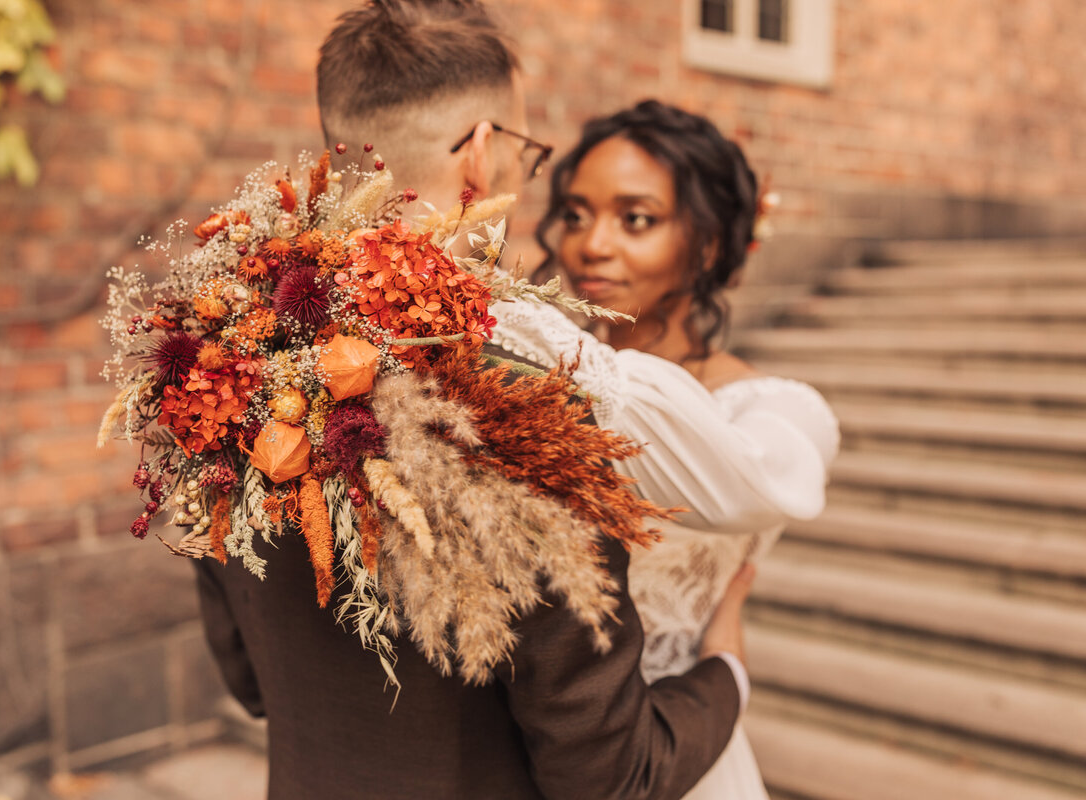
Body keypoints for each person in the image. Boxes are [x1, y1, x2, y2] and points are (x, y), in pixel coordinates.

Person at [193, 3, 755, 799]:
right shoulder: (526, 405)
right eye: (527, 155)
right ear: (483, 157)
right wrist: (724, 670)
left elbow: (250, 679)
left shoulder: (225, 359)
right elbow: (612, 778)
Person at [492, 100, 841, 799]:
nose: (591, 244)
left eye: (637, 219)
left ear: (707, 245)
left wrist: (486, 308)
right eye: (577, 213)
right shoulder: (520, 382)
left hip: (672, 752)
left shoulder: (778, 413)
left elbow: (751, 483)